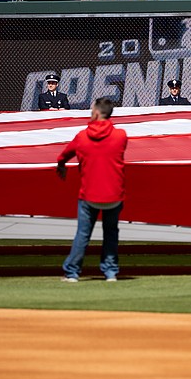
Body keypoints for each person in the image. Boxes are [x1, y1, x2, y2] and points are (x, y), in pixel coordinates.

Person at [57, 97, 127, 283]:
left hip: (89, 195)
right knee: (111, 233)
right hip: (114, 194)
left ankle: (72, 273)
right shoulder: (121, 136)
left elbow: (64, 155)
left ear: (96, 112)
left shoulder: (82, 137)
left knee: (83, 234)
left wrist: (61, 164)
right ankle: (110, 272)